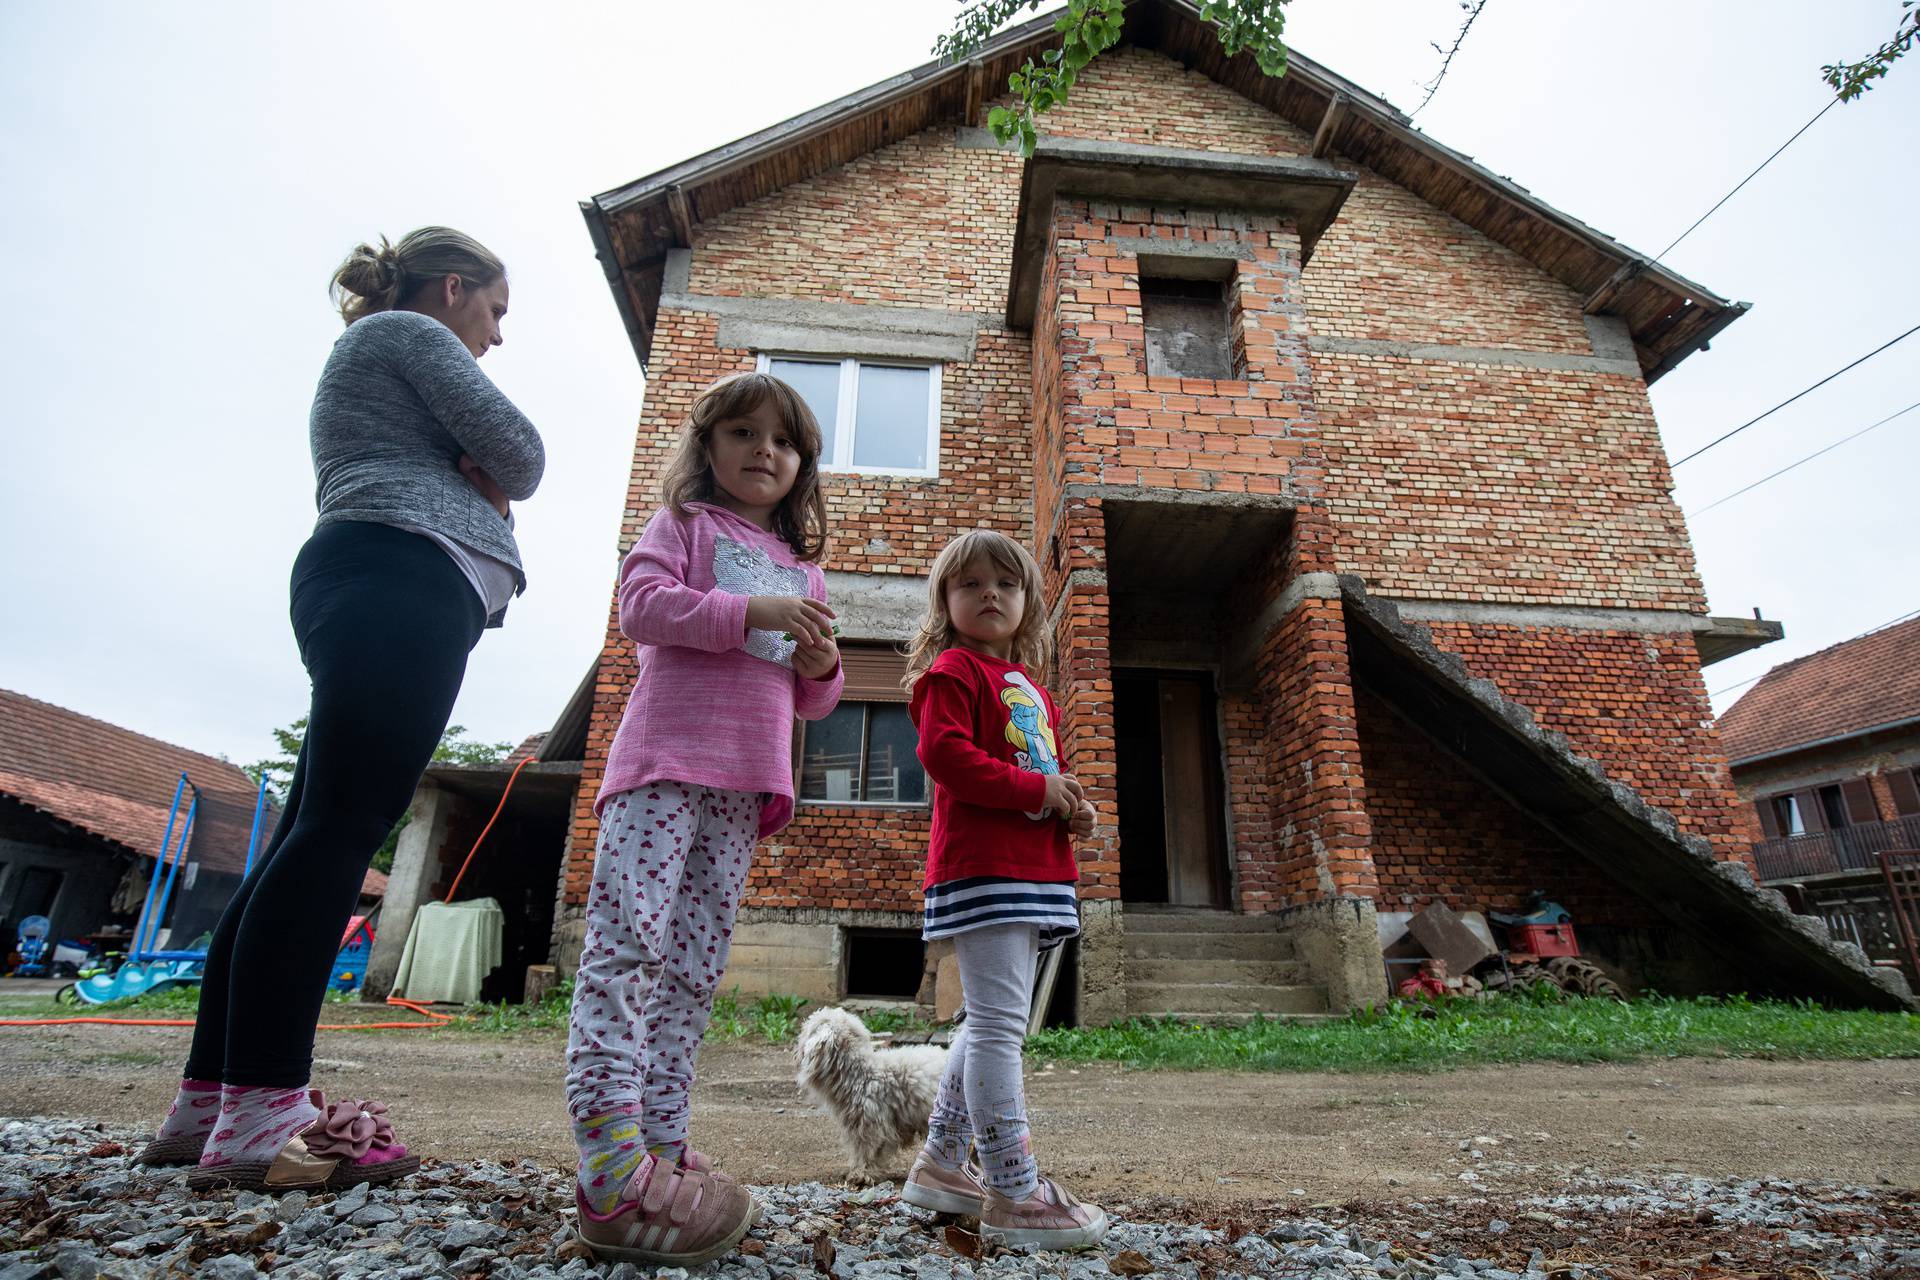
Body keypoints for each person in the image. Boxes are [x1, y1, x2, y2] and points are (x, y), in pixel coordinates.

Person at [135, 227, 544, 1192]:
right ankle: (266, 1116)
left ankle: (210, 1107)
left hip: (379, 578)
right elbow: (522, 455)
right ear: (453, 289)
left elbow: (497, 465)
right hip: (399, 576)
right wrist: (483, 484)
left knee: (307, 841)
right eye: (494, 310)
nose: (496, 336)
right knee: (333, 839)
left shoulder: (384, 354)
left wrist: (473, 481)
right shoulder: (409, 335)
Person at [565, 371, 843, 1266]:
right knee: (629, 949)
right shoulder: (683, 526)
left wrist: (824, 659)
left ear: (802, 466)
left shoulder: (804, 569)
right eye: (744, 433)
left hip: (742, 787)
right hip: (662, 767)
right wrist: (746, 611)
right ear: (710, 446)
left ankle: (661, 1140)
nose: (765, 451)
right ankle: (609, 1161)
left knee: (691, 968)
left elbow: (815, 701)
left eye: (784, 442)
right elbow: (640, 609)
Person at [897, 529, 1109, 1250]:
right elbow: (945, 756)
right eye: (972, 583)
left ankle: (943, 1163)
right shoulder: (951, 672)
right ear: (945, 602)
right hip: (986, 869)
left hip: (1031, 869)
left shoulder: (1031, 691)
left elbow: (1035, 773)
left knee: (993, 1023)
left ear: (1028, 603)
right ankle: (1015, 1189)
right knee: (996, 1026)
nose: (991, 594)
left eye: (1007, 585)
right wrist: (1036, 788)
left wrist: (1066, 804)